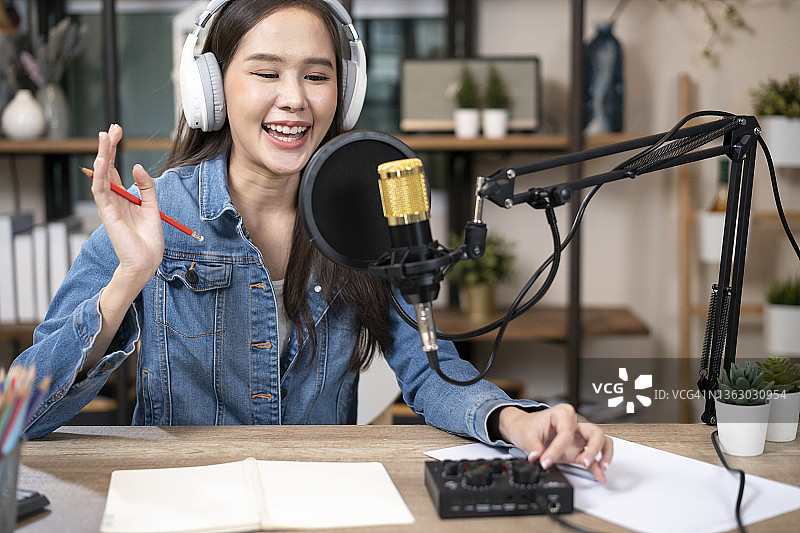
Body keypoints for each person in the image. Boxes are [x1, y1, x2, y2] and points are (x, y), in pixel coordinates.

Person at [13, 0, 612, 481]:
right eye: (266, 72)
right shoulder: (156, 213)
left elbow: (428, 372)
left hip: (324, 495)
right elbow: (24, 415)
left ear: (344, 95)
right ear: (212, 89)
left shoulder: (369, 214)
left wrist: (515, 421)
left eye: (317, 76)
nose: (294, 98)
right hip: (183, 498)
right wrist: (129, 278)